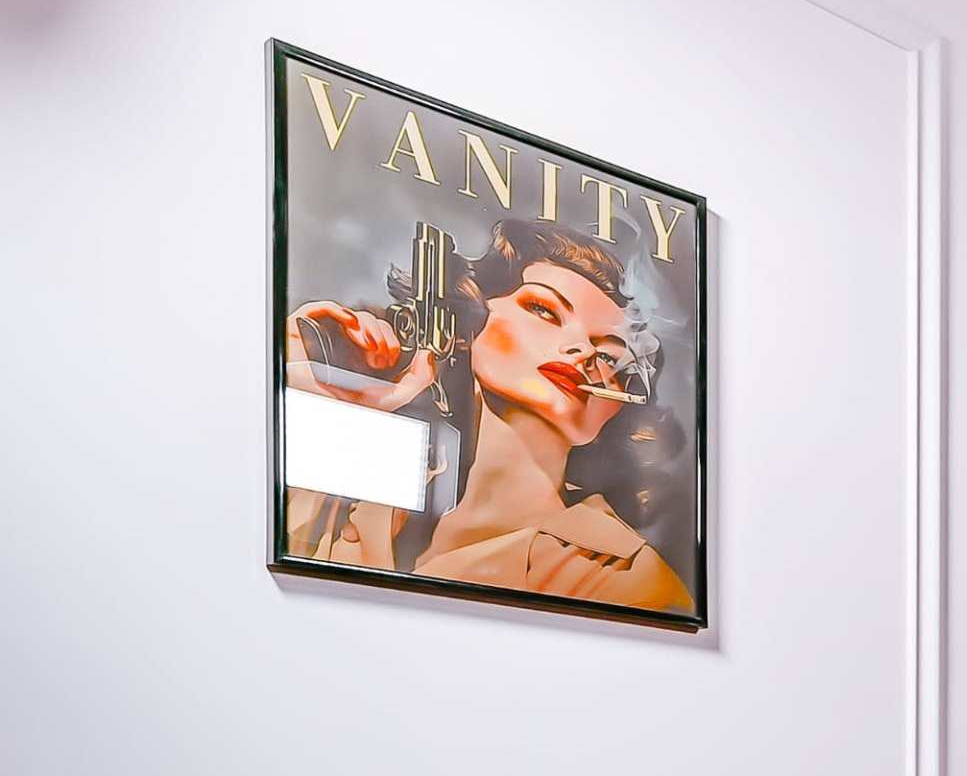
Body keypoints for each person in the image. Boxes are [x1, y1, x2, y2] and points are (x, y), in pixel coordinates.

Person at [280, 216, 696, 619]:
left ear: (615, 404)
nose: (582, 352)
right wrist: (306, 375)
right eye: (545, 311)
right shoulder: (360, 505)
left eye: (609, 355)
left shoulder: (629, 580)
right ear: (471, 325)